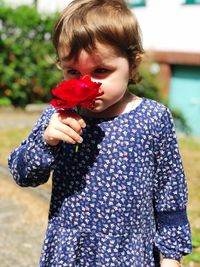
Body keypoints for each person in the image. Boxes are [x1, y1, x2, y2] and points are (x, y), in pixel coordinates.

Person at [8, 0, 192, 266]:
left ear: (133, 64)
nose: (86, 84)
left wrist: (171, 256)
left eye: (101, 71)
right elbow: (22, 173)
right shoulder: (60, 115)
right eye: (73, 71)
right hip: (69, 252)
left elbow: (169, 190)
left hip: (128, 253)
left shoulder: (153, 118)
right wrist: (46, 141)